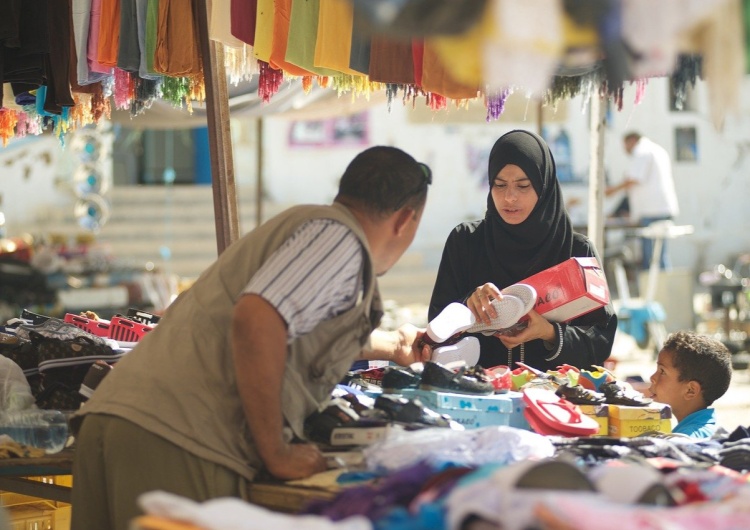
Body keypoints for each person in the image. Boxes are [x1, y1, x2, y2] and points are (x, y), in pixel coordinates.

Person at [69, 146, 434, 530]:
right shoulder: (340, 242)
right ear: (405, 220)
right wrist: (276, 451)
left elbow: (298, 329)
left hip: (120, 419)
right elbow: (257, 319)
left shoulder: (314, 229)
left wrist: (393, 346)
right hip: (181, 440)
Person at [428, 129, 617, 372]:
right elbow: (435, 329)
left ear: (544, 186)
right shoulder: (465, 242)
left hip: (553, 400)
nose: (509, 197)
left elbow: (601, 340)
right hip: (479, 395)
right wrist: (468, 305)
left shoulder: (576, 251)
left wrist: (549, 333)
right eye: (499, 185)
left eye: (523, 186)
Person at [606, 131, 679, 270]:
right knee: (660, 254)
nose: (625, 150)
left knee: (652, 257)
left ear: (632, 140)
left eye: (625, 145)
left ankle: (655, 289)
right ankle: (662, 288)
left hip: (652, 211)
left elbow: (634, 179)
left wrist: (613, 190)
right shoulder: (656, 150)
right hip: (661, 208)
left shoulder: (642, 151)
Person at [648, 330, 732, 439]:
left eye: (662, 371)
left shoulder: (687, 439)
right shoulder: (701, 429)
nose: (652, 378)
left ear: (690, 390)